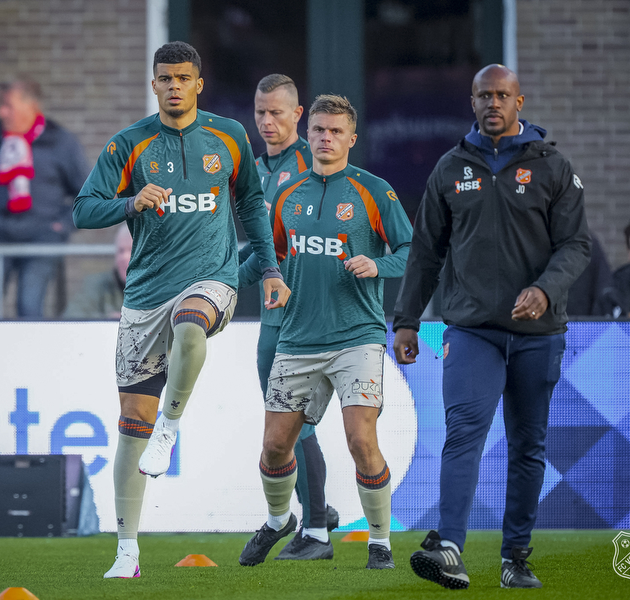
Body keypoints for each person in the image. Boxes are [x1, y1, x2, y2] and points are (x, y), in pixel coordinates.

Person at [73, 41, 290, 579]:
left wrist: (268, 268)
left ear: (199, 84)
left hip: (211, 281)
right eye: (165, 78)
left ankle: (170, 427)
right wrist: (130, 202)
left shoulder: (229, 136)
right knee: (131, 427)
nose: (174, 86)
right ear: (154, 85)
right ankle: (127, 552)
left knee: (191, 322)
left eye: (183, 78)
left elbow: (250, 204)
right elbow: (83, 210)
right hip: (145, 295)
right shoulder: (129, 144)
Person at [392, 65, 591, 589]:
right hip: (472, 330)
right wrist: (406, 320)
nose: (493, 103)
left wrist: (544, 289)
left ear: (519, 102)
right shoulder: (449, 168)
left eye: (503, 95)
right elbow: (426, 251)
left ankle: (515, 558)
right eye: (485, 95)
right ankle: (449, 548)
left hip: (538, 334)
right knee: (464, 433)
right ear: (473, 101)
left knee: (527, 446)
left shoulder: (553, 167)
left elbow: (576, 245)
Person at [237, 94, 412, 570]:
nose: (326, 138)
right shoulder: (286, 196)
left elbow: (410, 250)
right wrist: (220, 282)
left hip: (357, 338)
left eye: (335, 131)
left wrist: (378, 265)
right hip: (296, 339)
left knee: (361, 440)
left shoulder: (373, 190)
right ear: (308, 133)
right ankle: (279, 520)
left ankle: (380, 542)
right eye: (318, 130)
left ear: (351, 138)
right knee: (275, 446)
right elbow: (266, 256)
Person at [238, 74, 338, 557]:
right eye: (260, 112)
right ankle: (316, 510)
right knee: (283, 424)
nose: (266, 121)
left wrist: (225, 281)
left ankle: (316, 526)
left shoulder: (311, 164)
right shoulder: (255, 169)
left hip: (307, 315)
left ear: (298, 114)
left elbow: (291, 245)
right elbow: (260, 245)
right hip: (272, 314)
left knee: (295, 422)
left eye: (276, 112)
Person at [0, 77, 89, 318]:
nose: (1, 112)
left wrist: (62, 225)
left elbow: (88, 192)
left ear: (31, 106)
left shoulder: (60, 141)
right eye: (0, 105)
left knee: (29, 306)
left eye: (8, 106)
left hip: (41, 237)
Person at [62, 226, 132, 319]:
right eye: (121, 251)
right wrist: (106, 320)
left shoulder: (152, 289)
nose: (124, 257)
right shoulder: (98, 284)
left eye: (133, 250)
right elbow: (71, 317)